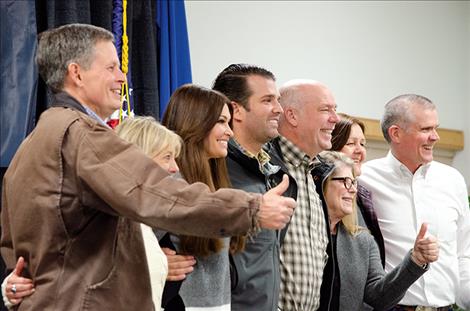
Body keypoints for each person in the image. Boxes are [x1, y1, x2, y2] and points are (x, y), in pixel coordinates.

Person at [0, 24, 295, 310]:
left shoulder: (35, 141)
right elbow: (159, 195)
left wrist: (14, 284)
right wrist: (253, 210)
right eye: (111, 68)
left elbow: (16, 248)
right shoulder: (82, 136)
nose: (123, 77)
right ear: (76, 73)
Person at [360, 94, 470, 310]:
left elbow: (464, 252)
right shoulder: (364, 179)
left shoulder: (453, 179)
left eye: (435, 128)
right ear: (396, 133)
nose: (436, 136)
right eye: (426, 129)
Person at [161, 84, 258, 310]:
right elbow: (124, 244)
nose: (230, 132)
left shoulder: (212, 182)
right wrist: (153, 261)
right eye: (221, 122)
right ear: (195, 123)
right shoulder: (171, 185)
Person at [212, 64, 297, 311]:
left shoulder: (276, 173)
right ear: (236, 110)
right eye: (268, 100)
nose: (279, 109)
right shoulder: (212, 168)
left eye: (278, 100)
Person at [314, 151, 438, 311]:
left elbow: (380, 298)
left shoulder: (363, 240)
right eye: (345, 181)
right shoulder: (299, 230)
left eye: (354, 182)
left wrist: (415, 261)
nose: (352, 190)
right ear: (321, 183)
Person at [275, 79, 340, 310]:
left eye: (335, 110)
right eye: (325, 110)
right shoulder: (264, 168)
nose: (335, 119)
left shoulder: (316, 176)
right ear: (292, 116)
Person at [329, 113, 385, 266]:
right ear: (332, 146)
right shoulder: (317, 195)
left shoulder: (363, 197)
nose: (360, 151)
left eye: (362, 144)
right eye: (351, 143)